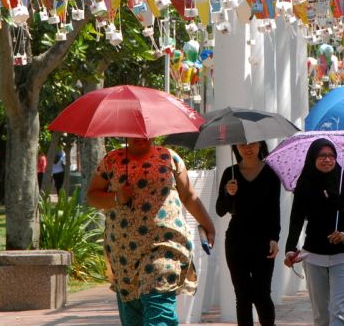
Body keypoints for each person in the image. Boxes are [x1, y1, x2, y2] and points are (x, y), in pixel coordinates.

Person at [86, 138, 216, 326]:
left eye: (145, 132)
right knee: (133, 318)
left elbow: (188, 195)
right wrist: (116, 197)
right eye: (135, 132)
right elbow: (92, 196)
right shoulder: (111, 161)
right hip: (124, 253)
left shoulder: (170, 158)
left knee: (159, 309)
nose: (141, 136)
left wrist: (208, 225)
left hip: (165, 246)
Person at [283, 138, 344, 326]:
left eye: (331, 156)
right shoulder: (304, 184)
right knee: (321, 314)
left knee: (338, 311)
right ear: (313, 158)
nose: (327, 160)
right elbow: (296, 220)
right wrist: (290, 249)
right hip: (313, 255)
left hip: (343, 256)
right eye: (322, 156)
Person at [216, 141, 281, 326]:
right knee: (242, 295)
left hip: (263, 241)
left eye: (252, 143)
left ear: (260, 145)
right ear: (235, 147)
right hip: (237, 240)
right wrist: (229, 193)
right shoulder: (230, 173)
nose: (247, 148)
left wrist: (275, 238)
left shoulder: (271, 173)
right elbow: (220, 210)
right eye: (241, 144)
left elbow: (274, 210)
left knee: (262, 294)